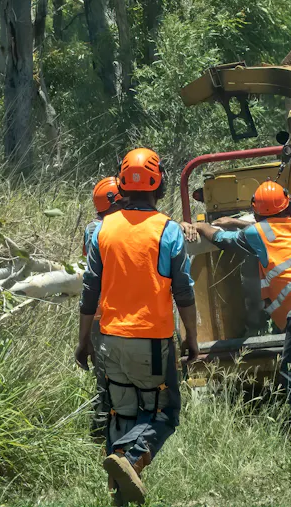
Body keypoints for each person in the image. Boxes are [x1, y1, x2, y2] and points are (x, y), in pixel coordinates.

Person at [75, 148, 199, 506]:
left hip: (109, 341)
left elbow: (89, 291)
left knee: (122, 415)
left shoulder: (101, 230)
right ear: (159, 185)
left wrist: (84, 341)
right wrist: (191, 337)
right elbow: (183, 292)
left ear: (122, 184)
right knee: (163, 413)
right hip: (151, 341)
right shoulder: (168, 230)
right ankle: (130, 460)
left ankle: (119, 497)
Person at [185, 180, 291, 425]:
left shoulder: (257, 233)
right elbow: (268, 225)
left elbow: (222, 240)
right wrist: (236, 221)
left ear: (256, 210)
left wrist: (202, 226)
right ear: (288, 204)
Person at [84, 176, 126, 445]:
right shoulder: (109, 229)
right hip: (117, 316)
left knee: (106, 382)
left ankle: (103, 436)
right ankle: (105, 437)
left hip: (100, 318)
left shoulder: (92, 228)